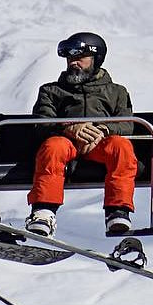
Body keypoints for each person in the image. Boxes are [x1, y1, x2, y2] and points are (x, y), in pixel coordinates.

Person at [26, 31, 138, 238]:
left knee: (121, 147)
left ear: (96, 59)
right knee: (53, 147)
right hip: (66, 141)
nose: (74, 63)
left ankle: (117, 210)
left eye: (80, 58)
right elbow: (41, 122)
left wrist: (102, 130)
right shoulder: (51, 91)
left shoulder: (116, 92)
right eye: (70, 58)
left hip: (100, 143)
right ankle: (43, 211)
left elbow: (126, 124)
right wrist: (69, 128)